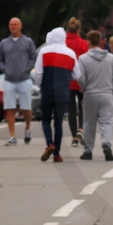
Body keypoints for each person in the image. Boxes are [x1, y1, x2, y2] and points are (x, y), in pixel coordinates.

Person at [73, 30, 113, 161]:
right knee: (106, 121)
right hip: (106, 93)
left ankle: (88, 151)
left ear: (88, 42)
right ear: (101, 41)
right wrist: (110, 86)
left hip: (90, 94)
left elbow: (80, 78)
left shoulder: (83, 59)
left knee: (89, 123)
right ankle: (106, 144)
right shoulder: (110, 58)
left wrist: (85, 88)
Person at [33, 27, 76, 163]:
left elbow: (37, 73)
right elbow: (78, 75)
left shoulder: (44, 51)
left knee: (45, 120)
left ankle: (49, 144)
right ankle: (57, 153)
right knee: (58, 123)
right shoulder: (70, 53)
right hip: (63, 92)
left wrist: (41, 86)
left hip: (47, 90)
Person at [0, 17, 38, 146]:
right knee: (9, 108)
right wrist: (5, 69)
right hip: (9, 80)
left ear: (20, 26)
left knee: (26, 108)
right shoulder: (4, 43)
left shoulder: (28, 41)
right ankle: (12, 136)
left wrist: (26, 69)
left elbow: (33, 57)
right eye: (11, 24)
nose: (13, 26)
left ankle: (28, 127)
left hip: (24, 79)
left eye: (15, 24)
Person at [65, 18, 89, 146]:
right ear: (79, 29)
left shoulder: (63, 43)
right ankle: (81, 129)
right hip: (81, 80)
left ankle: (74, 136)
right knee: (83, 108)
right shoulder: (83, 43)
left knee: (71, 110)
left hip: (67, 81)